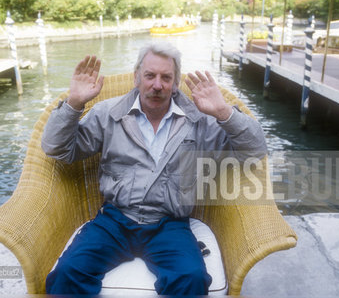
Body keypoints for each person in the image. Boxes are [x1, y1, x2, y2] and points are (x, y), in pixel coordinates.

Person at [41, 42, 267, 295]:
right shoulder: (108, 113)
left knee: (191, 278)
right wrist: (73, 103)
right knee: (67, 274)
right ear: (137, 76)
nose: (157, 85)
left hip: (169, 224)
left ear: (176, 82)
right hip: (114, 220)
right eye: (150, 75)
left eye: (166, 77)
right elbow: (56, 149)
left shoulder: (201, 121)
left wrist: (223, 112)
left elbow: (254, 152)